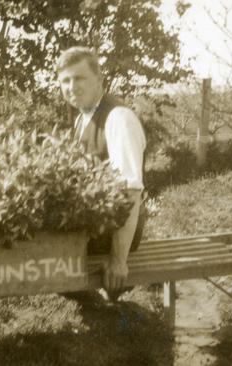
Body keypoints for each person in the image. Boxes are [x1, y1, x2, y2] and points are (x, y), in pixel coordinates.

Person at [55, 46, 147, 301]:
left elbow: (130, 190)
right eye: (65, 81)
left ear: (99, 79)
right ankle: (88, 301)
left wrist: (118, 261)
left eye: (79, 78)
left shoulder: (118, 118)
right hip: (94, 224)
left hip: (114, 232)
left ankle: (93, 304)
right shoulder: (82, 118)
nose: (71, 87)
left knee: (42, 248)